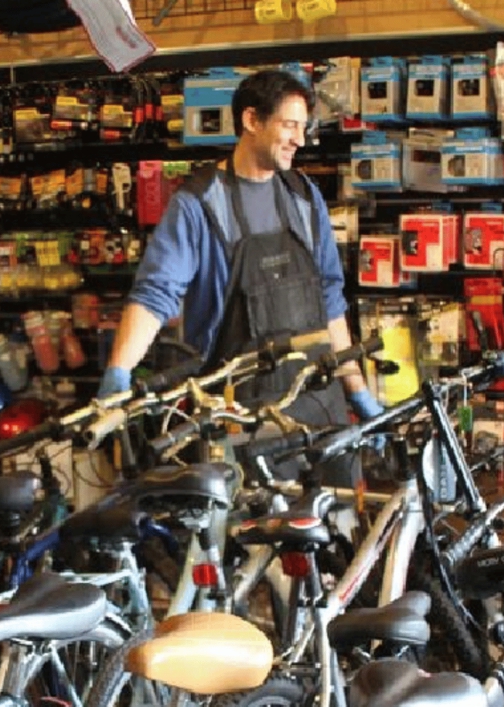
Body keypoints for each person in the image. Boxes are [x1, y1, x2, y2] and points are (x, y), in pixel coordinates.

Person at [98, 69, 381, 434]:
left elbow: (329, 299)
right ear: (252, 120)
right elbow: (156, 296)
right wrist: (118, 371)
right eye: (290, 126)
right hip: (238, 415)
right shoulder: (199, 204)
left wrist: (356, 391)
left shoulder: (304, 196)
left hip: (319, 407)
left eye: (303, 128)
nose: (301, 140)